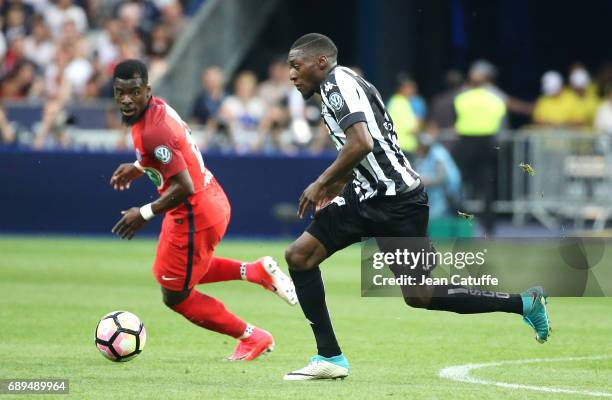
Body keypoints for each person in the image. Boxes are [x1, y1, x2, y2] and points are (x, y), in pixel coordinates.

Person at [283, 33, 551, 381]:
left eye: (295, 65)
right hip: (367, 196)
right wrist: (335, 188)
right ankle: (330, 356)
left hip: (396, 203)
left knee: (420, 295)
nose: (291, 74)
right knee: (300, 256)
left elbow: (362, 142)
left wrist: (321, 182)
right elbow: (366, 147)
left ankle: (523, 303)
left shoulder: (337, 85)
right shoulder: (339, 84)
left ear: (320, 61)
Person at [108, 59, 297, 361]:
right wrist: (139, 166)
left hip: (194, 212)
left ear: (148, 90)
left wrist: (142, 213)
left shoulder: (152, 132)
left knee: (176, 295)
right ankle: (255, 271)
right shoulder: (158, 109)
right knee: (172, 273)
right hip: (208, 199)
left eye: (134, 92)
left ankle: (252, 337)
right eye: (120, 93)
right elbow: (174, 152)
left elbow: (183, 185)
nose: (126, 99)